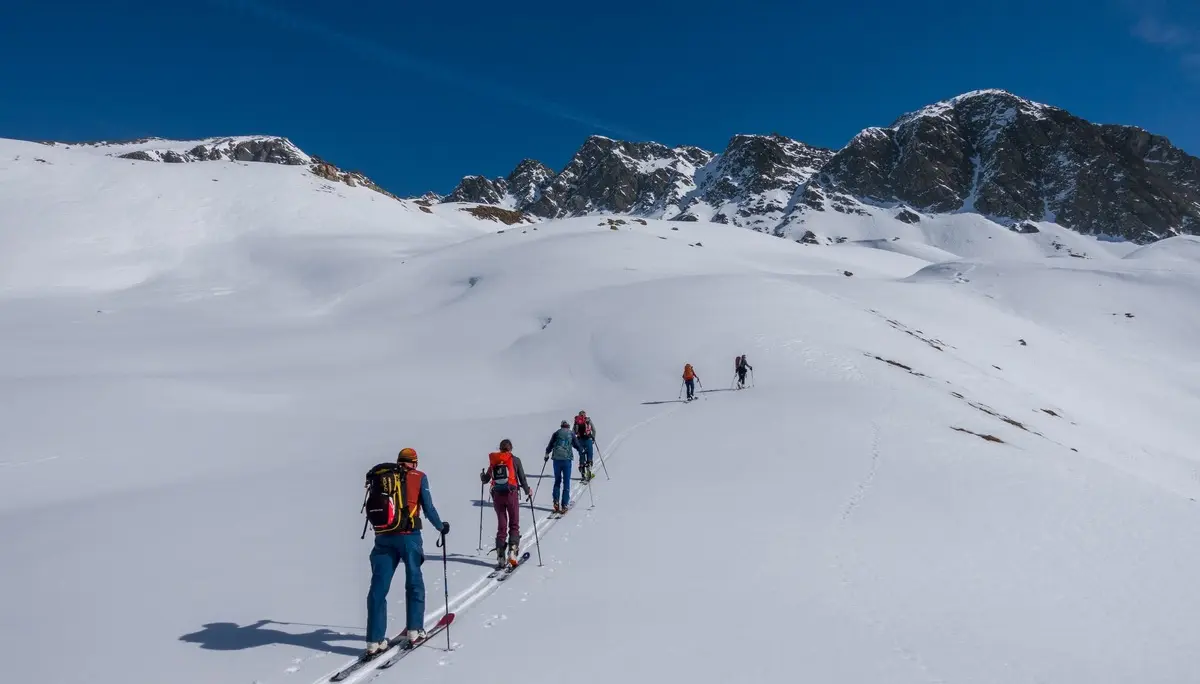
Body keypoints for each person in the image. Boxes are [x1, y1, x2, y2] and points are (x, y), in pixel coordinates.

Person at [362, 448, 449, 656]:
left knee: (378, 588)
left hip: (383, 537)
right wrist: (441, 526)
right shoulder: (418, 477)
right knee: (414, 582)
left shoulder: (382, 478)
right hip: (409, 536)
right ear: (415, 463)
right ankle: (414, 630)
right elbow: (427, 507)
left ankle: (374, 641)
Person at [480, 439, 533, 569]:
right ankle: (512, 552)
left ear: (500, 448)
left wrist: (482, 475)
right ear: (511, 448)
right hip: (511, 494)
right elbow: (522, 478)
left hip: (497, 495)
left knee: (501, 526)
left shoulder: (495, 461)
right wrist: (527, 491)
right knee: (514, 523)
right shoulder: (515, 460)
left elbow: (486, 479)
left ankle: (500, 556)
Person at [544, 420, 582, 514]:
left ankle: (556, 501)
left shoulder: (556, 433)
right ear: (568, 426)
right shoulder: (571, 434)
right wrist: (582, 451)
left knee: (557, 480)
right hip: (566, 460)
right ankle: (564, 504)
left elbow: (550, 446)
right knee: (566, 481)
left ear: (561, 426)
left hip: (556, 460)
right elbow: (577, 445)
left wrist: (546, 454)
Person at [573, 410, 597, 481]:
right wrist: (593, 438)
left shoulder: (576, 421)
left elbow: (573, 432)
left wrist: (575, 441)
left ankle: (583, 474)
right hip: (588, 440)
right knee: (589, 455)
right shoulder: (588, 420)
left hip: (580, 440)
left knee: (582, 455)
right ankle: (589, 470)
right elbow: (594, 430)